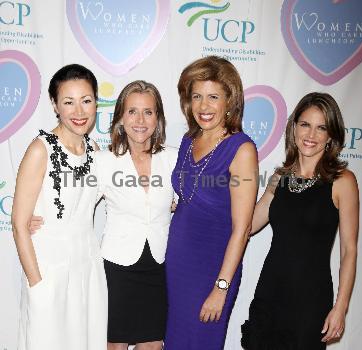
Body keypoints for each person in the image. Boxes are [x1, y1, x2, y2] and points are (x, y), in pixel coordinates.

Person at [241, 92, 359, 349]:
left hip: (310, 301)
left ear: (331, 136)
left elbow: (349, 250)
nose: (311, 135)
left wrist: (341, 307)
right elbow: (246, 226)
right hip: (270, 292)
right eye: (305, 124)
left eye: (321, 128)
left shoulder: (342, 181)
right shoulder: (279, 179)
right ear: (294, 127)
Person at [164, 56, 258, 349]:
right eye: (197, 96)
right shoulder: (187, 141)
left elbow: (242, 229)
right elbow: (191, 196)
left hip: (212, 271)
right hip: (177, 265)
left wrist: (221, 288)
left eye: (213, 97)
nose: (204, 106)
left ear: (230, 101)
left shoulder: (241, 149)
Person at [12, 64, 108, 350]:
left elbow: (119, 195)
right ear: (55, 105)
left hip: (87, 267)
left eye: (86, 100)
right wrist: (36, 284)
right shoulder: (40, 149)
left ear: (95, 102)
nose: (79, 112)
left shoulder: (96, 152)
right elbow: (19, 225)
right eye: (68, 102)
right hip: (48, 269)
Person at [95, 80, 177, 350]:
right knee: (114, 345)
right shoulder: (104, 161)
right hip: (117, 267)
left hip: (159, 265)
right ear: (120, 117)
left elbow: (191, 203)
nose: (140, 120)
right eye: (132, 111)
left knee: (153, 345)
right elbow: (76, 205)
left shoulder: (175, 159)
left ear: (158, 118)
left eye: (148, 112)